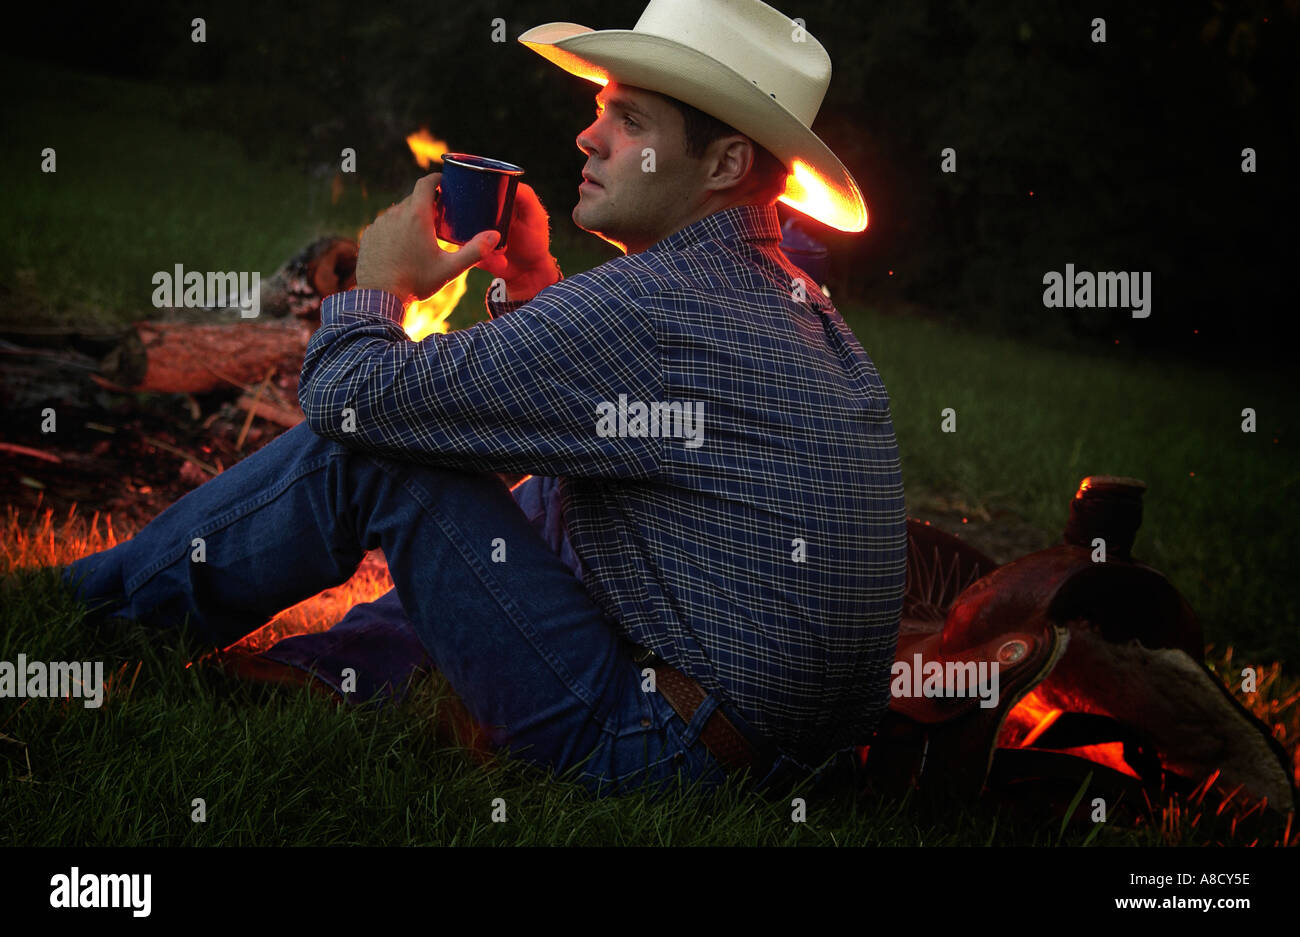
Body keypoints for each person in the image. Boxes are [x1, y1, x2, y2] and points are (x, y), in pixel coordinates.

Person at [61, 0, 907, 798]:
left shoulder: (653, 306)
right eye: (603, 111)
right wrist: (536, 289)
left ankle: (89, 618)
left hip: (665, 748)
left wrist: (377, 286)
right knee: (546, 486)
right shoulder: (790, 303)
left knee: (381, 455)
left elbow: (349, 403)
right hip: (790, 758)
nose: (589, 135)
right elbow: (568, 430)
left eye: (631, 123)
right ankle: (339, 666)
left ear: (725, 164)